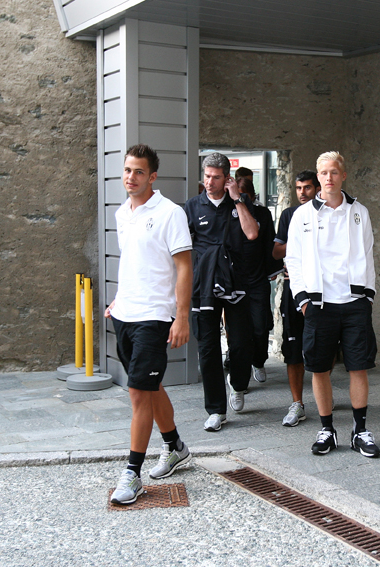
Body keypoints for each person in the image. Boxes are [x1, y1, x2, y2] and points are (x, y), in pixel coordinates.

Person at [105, 144, 194, 505]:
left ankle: (132, 475)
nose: (131, 177)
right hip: (125, 314)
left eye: (139, 172)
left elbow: (184, 266)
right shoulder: (121, 213)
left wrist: (182, 316)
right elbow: (135, 261)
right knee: (150, 386)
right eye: (128, 170)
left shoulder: (170, 213)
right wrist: (119, 298)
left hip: (155, 316)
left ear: (152, 177)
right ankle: (175, 446)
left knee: (139, 392)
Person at [284, 151, 380, 458]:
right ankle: (327, 429)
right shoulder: (303, 215)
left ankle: (360, 431)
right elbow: (293, 259)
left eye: (334, 172)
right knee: (319, 369)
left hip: (354, 303)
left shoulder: (359, 212)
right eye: (324, 173)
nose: (329, 177)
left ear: (343, 175)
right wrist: (302, 299)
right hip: (318, 304)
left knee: (358, 367)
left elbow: (368, 254)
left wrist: (367, 296)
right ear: (318, 177)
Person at [184, 153, 259, 432]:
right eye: (207, 176)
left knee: (240, 344)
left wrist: (237, 198)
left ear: (227, 178)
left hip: (236, 283)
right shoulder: (192, 206)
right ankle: (216, 410)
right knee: (207, 349)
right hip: (204, 284)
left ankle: (238, 384)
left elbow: (252, 233)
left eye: (216, 177)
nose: (210, 182)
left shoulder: (240, 203)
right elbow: (180, 247)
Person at [273, 170, 320, 426]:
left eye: (307, 187)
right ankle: (297, 403)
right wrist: (297, 245)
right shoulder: (289, 215)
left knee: (322, 346)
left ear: (317, 188)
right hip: (293, 289)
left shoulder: (328, 213)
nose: (302, 192)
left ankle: (324, 397)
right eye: (299, 188)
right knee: (292, 349)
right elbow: (276, 251)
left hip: (322, 291)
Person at [236, 176, 279, 384]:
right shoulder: (229, 212)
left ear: (252, 196)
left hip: (258, 279)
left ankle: (259, 361)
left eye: (245, 195)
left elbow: (270, 241)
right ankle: (238, 373)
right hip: (235, 280)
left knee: (261, 327)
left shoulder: (263, 213)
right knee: (238, 331)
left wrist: (273, 269)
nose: (242, 199)